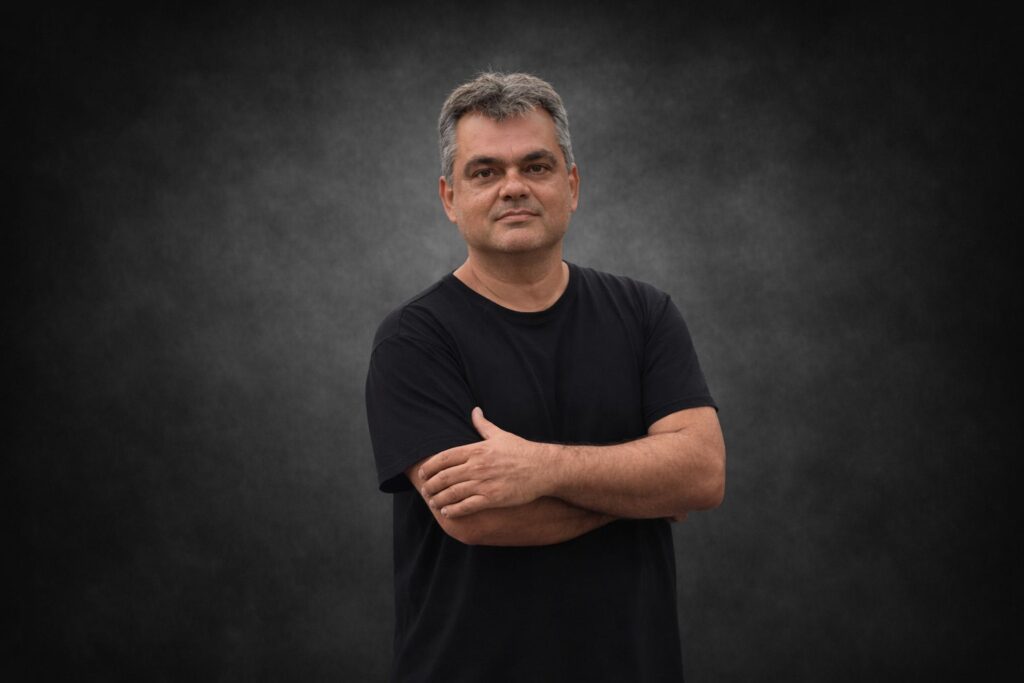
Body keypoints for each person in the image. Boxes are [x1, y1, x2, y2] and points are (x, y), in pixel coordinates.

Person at [365, 72, 725, 682]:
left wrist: (541, 470)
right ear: (450, 198)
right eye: (485, 172)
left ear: (572, 185)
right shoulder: (414, 339)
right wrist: (641, 496)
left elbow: (703, 473)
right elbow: (476, 518)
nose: (514, 187)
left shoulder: (645, 313)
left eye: (536, 166)